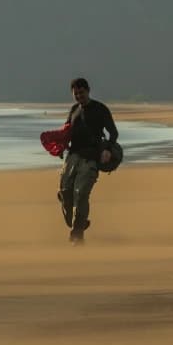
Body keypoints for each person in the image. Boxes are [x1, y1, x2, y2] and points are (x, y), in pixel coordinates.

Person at [58, 78, 118, 244]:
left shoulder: (100, 109)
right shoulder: (74, 109)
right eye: (75, 94)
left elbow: (113, 132)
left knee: (81, 194)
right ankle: (80, 223)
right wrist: (59, 147)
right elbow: (66, 131)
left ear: (88, 90)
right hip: (72, 157)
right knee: (65, 193)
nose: (79, 96)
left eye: (81, 92)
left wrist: (107, 149)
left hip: (91, 157)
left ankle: (77, 234)